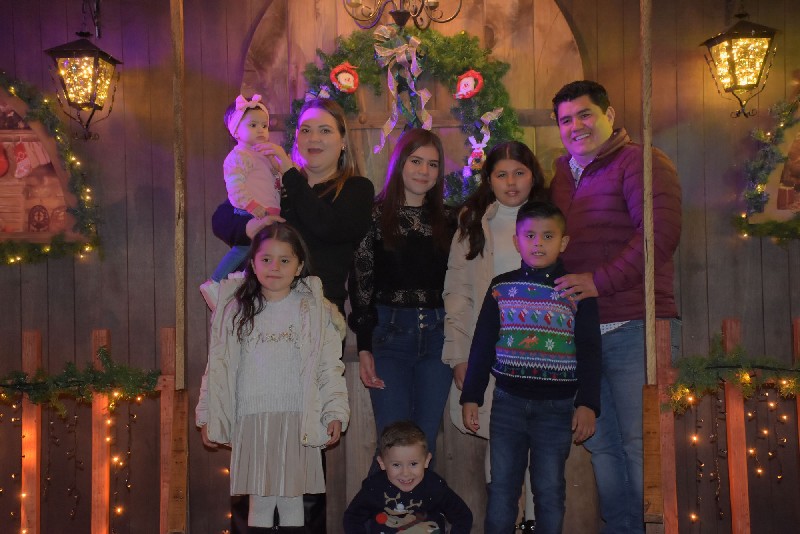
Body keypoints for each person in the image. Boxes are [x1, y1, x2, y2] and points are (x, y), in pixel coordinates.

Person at [210, 97, 374, 533]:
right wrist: (248, 224)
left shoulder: (354, 190)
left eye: (324, 130)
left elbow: (328, 227)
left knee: (306, 446)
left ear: (343, 141)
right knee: (255, 437)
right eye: (305, 130)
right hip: (261, 321)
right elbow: (223, 216)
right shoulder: (277, 182)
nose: (313, 138)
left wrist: (288, 174)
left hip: (315, 325)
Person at [549, 80, 682, 534]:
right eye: (566, 120)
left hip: (636, 324)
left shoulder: (642, 162)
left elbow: (658, 237)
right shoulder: (562, 175)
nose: (576, 126)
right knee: (602, 446)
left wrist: (598, 281)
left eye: (585, 114)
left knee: (642, 444)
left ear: (608, 114)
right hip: (581, 332)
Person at [195, 223, 350, 531]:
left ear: (299, 266)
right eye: (266, 259)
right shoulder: (235, 310)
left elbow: (329, 366)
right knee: (261, 500)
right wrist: (207, 414)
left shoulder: (314, 310)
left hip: (297, 417)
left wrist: (335, 411)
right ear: (253, 264)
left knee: (292, 498)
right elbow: (218, 368)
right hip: (252, 418)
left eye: (284, 260)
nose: (274, 267)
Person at [460, 200, 602, 534]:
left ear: (563, 242)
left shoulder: (577, 290)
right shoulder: (501, 287)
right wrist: (471, 396)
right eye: (530, 236)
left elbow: (590, 350)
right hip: (507, 404)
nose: (538, 243)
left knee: (549, 490)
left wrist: (587, 403)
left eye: (548, 236)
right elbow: (482, 345)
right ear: (516, 241)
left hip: (557, 408)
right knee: (502, 488)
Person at [441, 140, 546, 528]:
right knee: (499, 436)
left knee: (540, 443)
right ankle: (505, 523)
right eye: (501, 174)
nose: (511, 182)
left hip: (541, 351)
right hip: (489, 350)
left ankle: (533, 522)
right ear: (489, 180)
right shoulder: (473, 224)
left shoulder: (549, 220)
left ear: (533, 176)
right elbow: (457, 293)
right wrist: (459, 356)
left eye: (519, 173)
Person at [347, 128, 456, 465]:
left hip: (438, 339)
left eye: (433, 164)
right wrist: (364, 345)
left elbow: (462, 285)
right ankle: (379, 502)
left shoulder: (451, 220)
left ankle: (421, 504)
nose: (424, 171)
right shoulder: (373, 217)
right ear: (400, 164)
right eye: (416, 161)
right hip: (390, 337)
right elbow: (361, 284)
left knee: (424, 443)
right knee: (393, 442)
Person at [342, 420, 473, 533]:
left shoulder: (434, 485)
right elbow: (352, 517)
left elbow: (463, 516)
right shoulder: (374, 487)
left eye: (413, 464)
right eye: (396, 465)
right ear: (382, 463)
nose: (405, 473)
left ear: (427, 461)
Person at [212, 94, 282, 282]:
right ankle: (216, 281)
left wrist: (278, 165)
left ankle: (243, 283)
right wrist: (252, 206)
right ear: (236, 131)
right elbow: (235, 187)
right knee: (244, 248)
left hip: (268, 212)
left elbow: (276, 181)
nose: (260, 130)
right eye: (253, 125)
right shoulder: (239, 156)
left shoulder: (264, 154)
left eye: (264, 126)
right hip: (251, 211)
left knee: (262, 253)